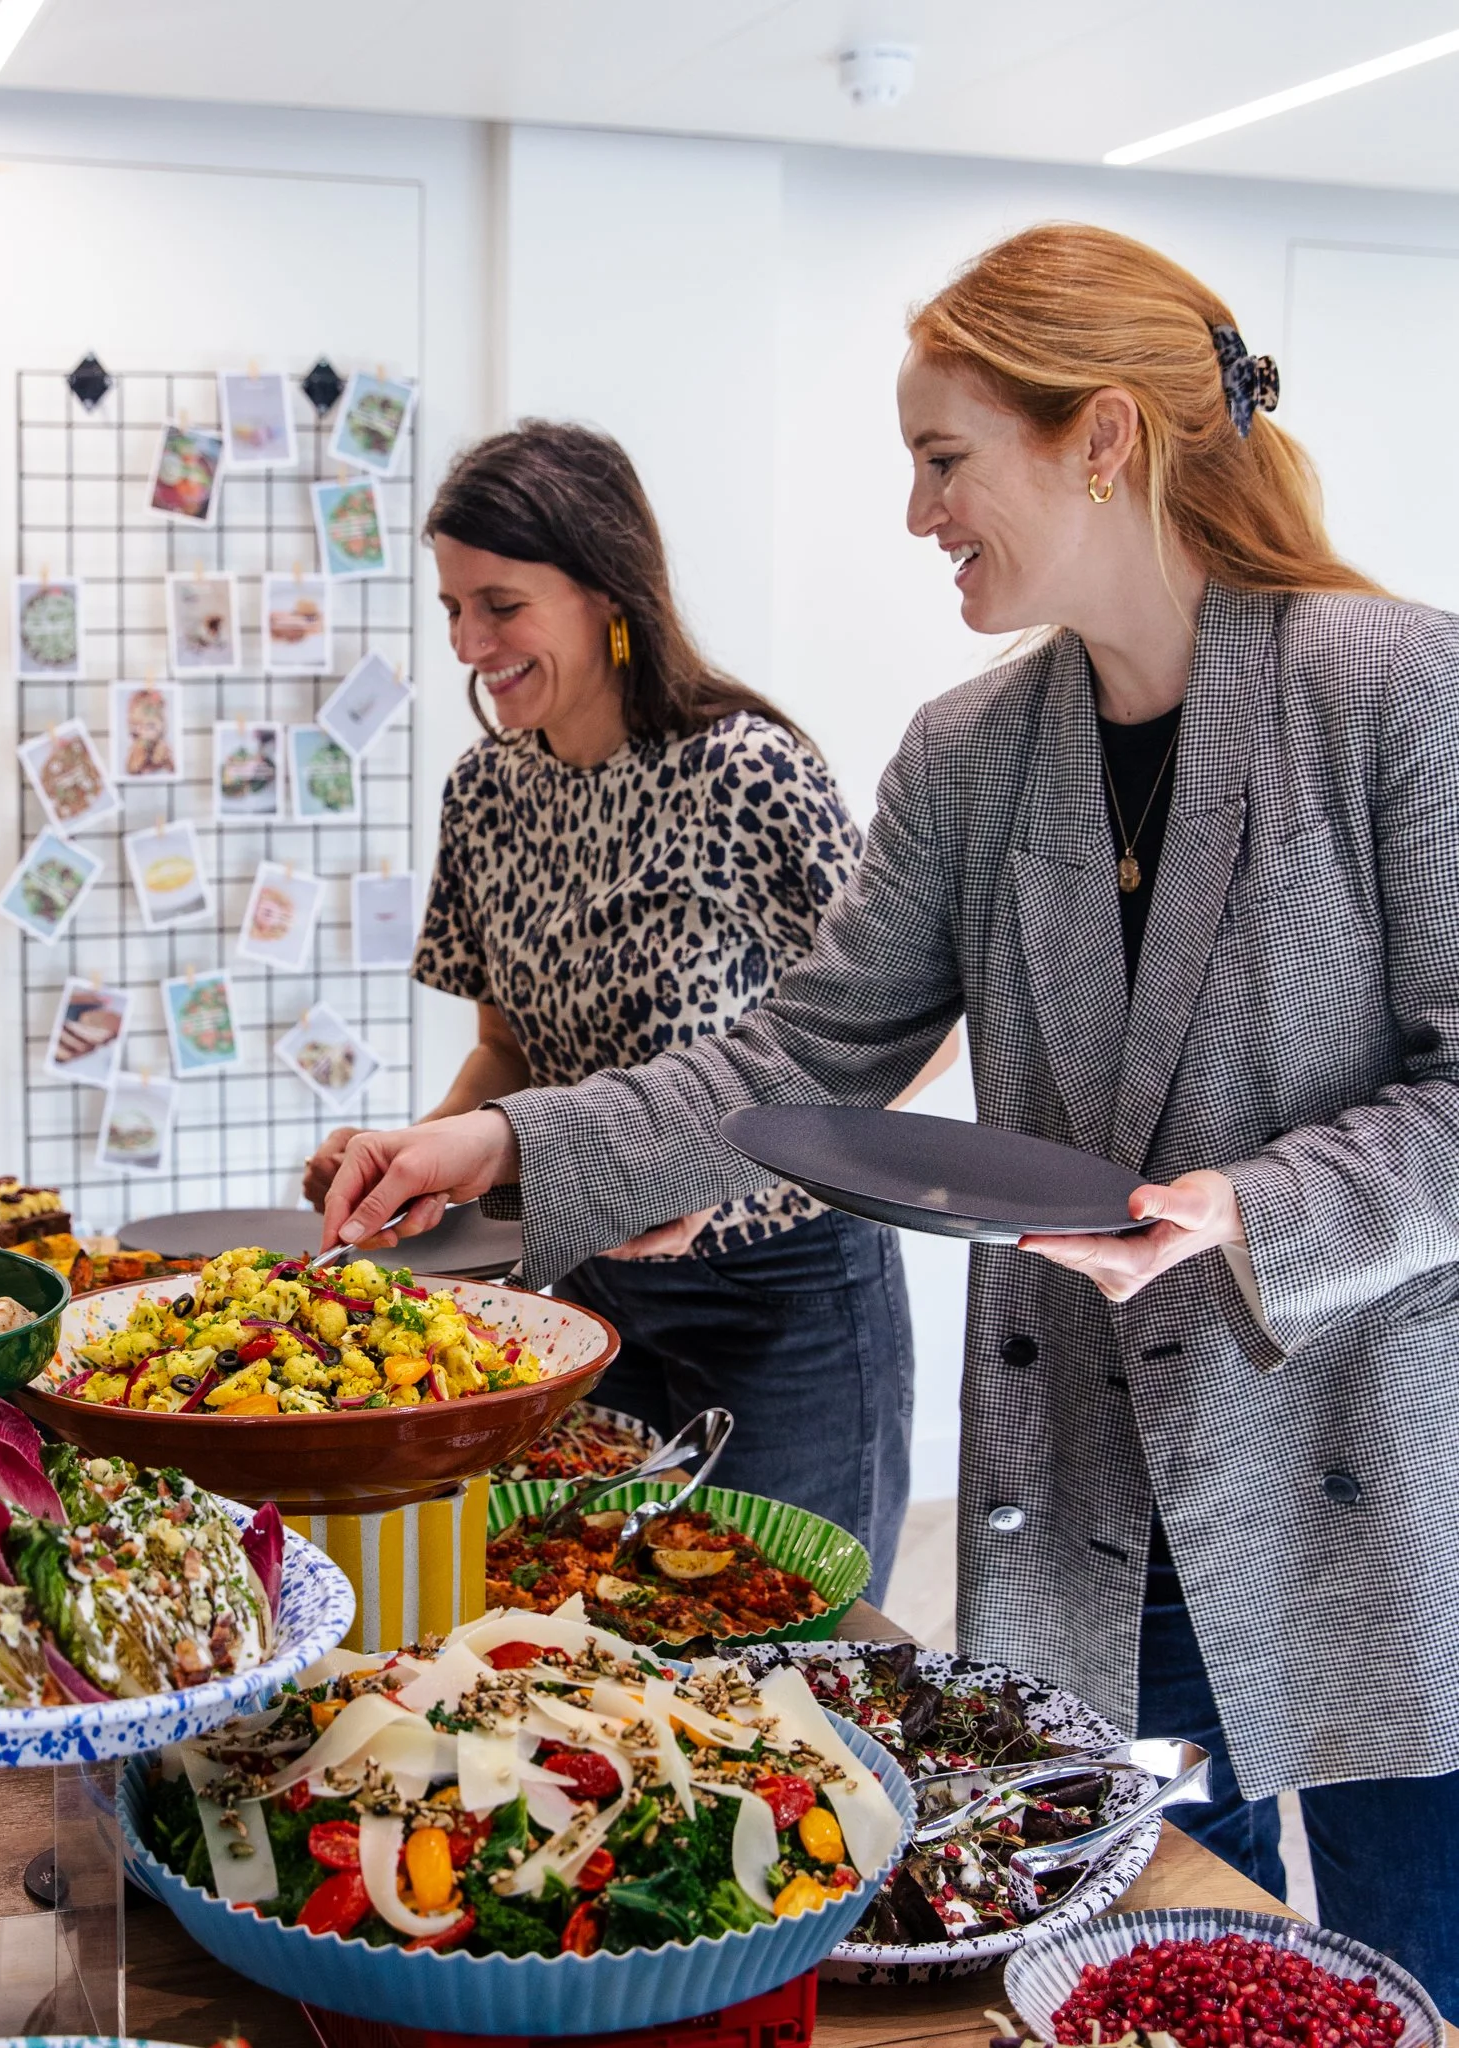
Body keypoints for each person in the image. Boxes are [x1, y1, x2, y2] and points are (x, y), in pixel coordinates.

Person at [319, 226, 1459, 1998]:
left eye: (942, 460)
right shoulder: (967, 748)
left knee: (1404, 1966)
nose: (917, 515)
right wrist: (512, 1142)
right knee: (1133, 1956)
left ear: (1099, 439)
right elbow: (797, 1057)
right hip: (1090, 1475)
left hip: (1366, 1464)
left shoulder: (1393, 688)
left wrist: (1244, 1203)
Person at [305, 421, 948, 1597]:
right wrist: (412, 1159)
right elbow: (505, 1050)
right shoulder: (488, 791)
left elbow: (913, 1031)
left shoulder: (746, 771)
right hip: (586, 1295)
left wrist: (717, 1177)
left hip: (787, 1301)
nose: (468, 643)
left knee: (791, 1636)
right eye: (451, 608)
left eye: (499, 604)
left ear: (607, 590)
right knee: (596, 1627)